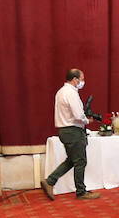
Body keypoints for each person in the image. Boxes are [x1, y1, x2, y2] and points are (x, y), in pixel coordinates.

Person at [40, 68, 99, 201]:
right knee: (80, 161)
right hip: (73, 130)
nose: (83, 82)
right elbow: (78, 115)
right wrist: (87, 120)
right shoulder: (71, 93)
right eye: (82, 79)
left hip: (64, 130)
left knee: (72, 160)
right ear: (75, 79)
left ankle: (50, 181)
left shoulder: (61, 92)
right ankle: (81, 192)